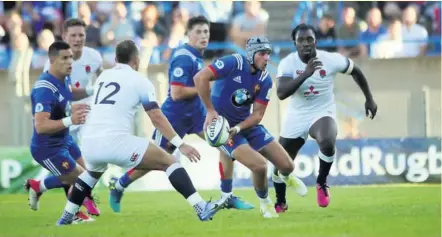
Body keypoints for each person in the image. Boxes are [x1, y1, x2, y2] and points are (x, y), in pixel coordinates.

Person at [56, 40, 227, 225]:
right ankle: (201, 207)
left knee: (90, 175)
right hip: (115, 141)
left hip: (89, 141)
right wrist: (181, 144)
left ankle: (66, 216)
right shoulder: (140, 81)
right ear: (136, 60)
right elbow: (156, 116)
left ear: (115, 58)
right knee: (170, 161)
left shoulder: (104, 76)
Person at [108, 16, 253, 213]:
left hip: (197, 114)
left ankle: (227, 196)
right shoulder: (184, 57)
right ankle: (119, 185)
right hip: (173, 117)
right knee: (155, 160)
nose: (204, 36)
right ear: (189, 34)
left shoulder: (195, 55)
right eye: (199, 32)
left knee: (225, 143)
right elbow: (177, 93)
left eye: (206, 32)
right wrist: (205, 88)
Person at [194, 36, 308, 219]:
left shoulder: (265, 80)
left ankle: (284, 176)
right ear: (252, 54)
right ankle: (265, 203)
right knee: (260, 166)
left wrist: (239, 128)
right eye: (263, 54)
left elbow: (257, 115)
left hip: (245, 125)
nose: (267, 58)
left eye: (268, 54)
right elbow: (200, 77)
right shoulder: (233, 62)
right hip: (223, 129)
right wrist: (209, 110)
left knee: (288, 165)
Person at [273, 23, 378, 212]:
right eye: (301, 40)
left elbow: (356, 71)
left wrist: (369, 99)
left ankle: (321, 182)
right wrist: (306, 74)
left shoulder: (330, 59)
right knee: (280, 164)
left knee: (328, 140)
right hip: (297, 115)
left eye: (309, 39)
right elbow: (281, 93)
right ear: (294, 43)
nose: (306, 44)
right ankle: (281, 200)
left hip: (322, 111)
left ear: (316, 41)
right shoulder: (287, 63)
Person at [40, 17, 103, 217]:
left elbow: (102, 78)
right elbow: (59, 92)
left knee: (90, 163)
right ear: (64, 36)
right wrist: (91, 89)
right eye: (73, 35)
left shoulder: (93, 57)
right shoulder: (54, 63)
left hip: (86, 117)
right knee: (71, 168)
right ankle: (48, 191)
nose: (77, 39)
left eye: (81, 35)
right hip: (64, 120)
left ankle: (76, 204)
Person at [26, 41, 94, 223]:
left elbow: (70, 93)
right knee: (82, 178)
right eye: (65, 58)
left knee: (86, 175)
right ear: (52, 61)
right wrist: (70, 120)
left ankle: (38, 186)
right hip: (48, 147)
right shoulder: (44, 89)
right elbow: (41, 126)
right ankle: (72, 216)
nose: (70, 61)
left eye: (71, 57)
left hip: (65, 139)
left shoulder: (65, 77)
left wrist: (91, 90)